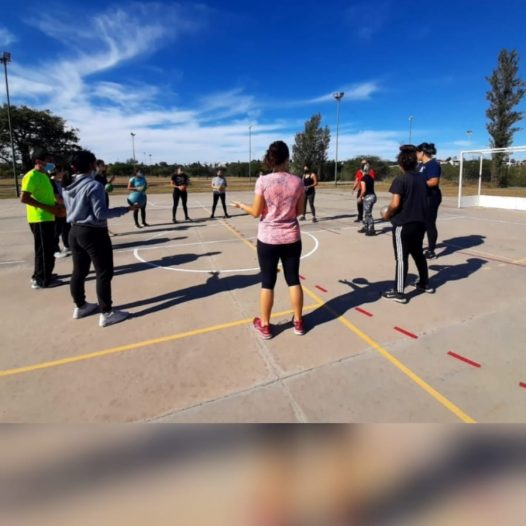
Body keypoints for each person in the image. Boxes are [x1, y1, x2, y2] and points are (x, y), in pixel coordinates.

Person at [232, 140, 305, 338]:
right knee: (293, 280)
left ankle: (265, 325)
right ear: (287, 158)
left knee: (267, 282)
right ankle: (298, 322)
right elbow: (301, 211)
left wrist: (241, 206)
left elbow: (256, 212)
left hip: (268, 239)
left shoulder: (263, 181)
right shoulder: (298, 181)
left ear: (270, 159)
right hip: (291, 237)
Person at [62, 150, 137, 327]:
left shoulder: (67, 184)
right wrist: (126, 209)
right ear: (91, 165)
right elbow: (101, 214)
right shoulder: (93, 185)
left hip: (74, 231)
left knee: (79, 272)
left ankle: (80, 306)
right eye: (95, 163)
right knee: (104, 272)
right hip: (93, 233)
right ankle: (107, 312)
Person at [381, 145, 434, 304]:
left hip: (403, 224)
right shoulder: (422, 179)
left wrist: (387, 214)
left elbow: (395, 204)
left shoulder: (400, 180)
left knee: (401, 258)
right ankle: (424, 283)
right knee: (418, 253)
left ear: (401, 164)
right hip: (420, 223)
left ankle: (399, 292)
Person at [20, 147, 66, 289]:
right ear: (38, 161)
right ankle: (41, 280)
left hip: (49, 216)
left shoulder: (45, 175)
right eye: (49, 161)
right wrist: (48, 208)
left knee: (49, 248)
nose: (51, 163)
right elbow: (24, 198)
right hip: (39, 218)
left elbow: (46, 196)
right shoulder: (31, 175)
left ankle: (44, 273)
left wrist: (56, 205)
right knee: (43, 250)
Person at [416, 143, 442, 259]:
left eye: (417, 152)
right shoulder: (420, 165)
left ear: (422, 152)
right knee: (419, 223)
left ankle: (431, 251)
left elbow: (434, 182)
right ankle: (418, 246)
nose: (416, 155)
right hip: (421, 197)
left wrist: (416, 184)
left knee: (429, 223)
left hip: (431, 197)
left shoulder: (433, 164)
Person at [51, 164, 72, 258]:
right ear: (57, 172)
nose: (64, 173)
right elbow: (56, 197)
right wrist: (66, 204)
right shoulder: (51, 182)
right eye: (62, 171)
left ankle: (67, 246)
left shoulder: (59, 182)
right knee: (56, 230)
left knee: (66, 228)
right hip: (57, 209)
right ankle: (55, 250)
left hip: (63, 209)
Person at [358, 166, 376, 236]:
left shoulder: (363, 179)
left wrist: (360, 197)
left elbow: (364, 190)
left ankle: (371, 230)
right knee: (366, 213)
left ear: (362, 171)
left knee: (368, 214)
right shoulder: (371, 178)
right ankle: (366, 227)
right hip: (372, 196)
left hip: (368, 197)